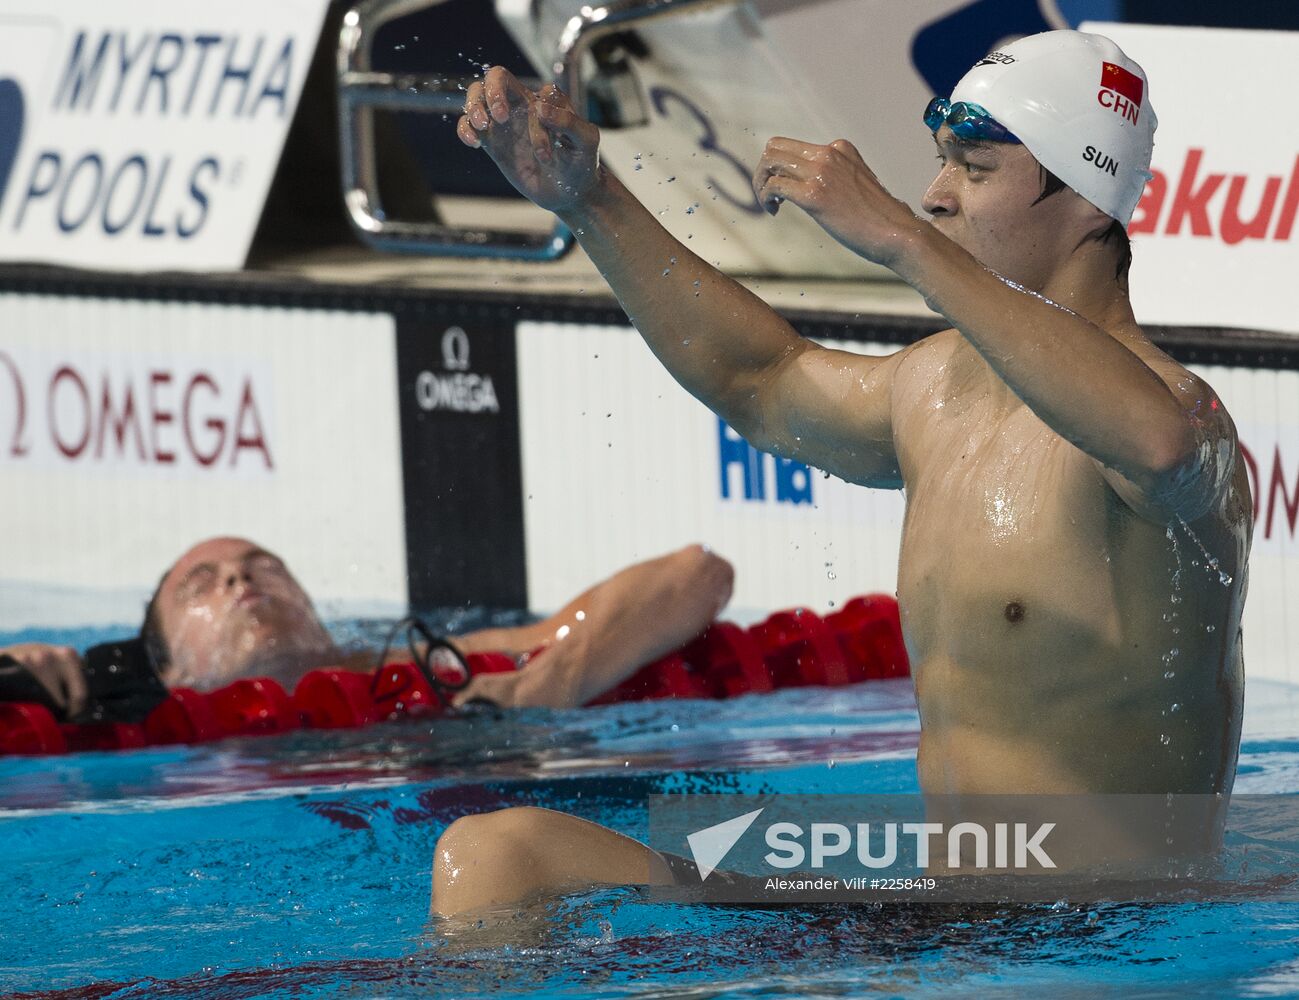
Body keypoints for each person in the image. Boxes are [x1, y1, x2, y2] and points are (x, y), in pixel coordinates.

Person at [429, 29, 1253, 912]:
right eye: (940, 166)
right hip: (943, 922)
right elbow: (762, 378)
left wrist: (900, 242)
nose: (933, 197)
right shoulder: (935, 385)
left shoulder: (1180, 420)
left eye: (972, 169)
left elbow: (1157, 444)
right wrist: (591, 200)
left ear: (1089, 200)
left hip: (1096, 935)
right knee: (498, 855)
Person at [0, 536, 735, 716]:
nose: (239, 578)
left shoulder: (429, 666)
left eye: (264, 565)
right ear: (165, 666)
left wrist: (560, 677)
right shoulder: (140, 728)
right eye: (203, 583)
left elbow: (696, 576)